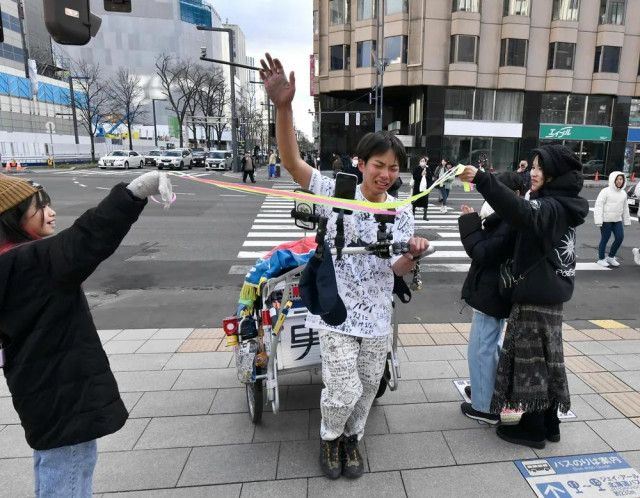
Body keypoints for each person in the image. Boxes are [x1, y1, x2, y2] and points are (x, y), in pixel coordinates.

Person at [260, 52, 429, 480]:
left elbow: (395, 269)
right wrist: (283, 107)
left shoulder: (400, 209)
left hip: (377, 316)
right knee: (342, 387)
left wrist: (413, 253)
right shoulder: (338, 191)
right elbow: (294, 164)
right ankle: (329, 437)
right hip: (337, 312)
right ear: (361, 164)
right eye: (379, 165)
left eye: (393, 168)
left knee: (370, 386)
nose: (386, 175)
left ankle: (353, 439)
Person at [0, 171, 173, 496]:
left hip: (37, 392)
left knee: (51, 464)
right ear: (12, 217)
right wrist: (135, 192)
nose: (50, 212)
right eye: (39, 207)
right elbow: (89, 236)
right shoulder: (32, 261)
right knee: (68, 473)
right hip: (64, 392)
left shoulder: (8, 262)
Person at [459, 144, 589, 449]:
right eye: (532, 166)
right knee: (544, 362)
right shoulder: (559, 203)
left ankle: (532, 430)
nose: (533, 172)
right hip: (547, 297)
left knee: (531, 365)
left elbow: (520, 213)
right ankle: (549, 425)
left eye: (540, 168)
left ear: (555, 173)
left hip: (536, 299)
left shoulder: (552, 206)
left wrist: (483, 179)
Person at [458, 172, 525, 425]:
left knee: (481, 348)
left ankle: (485, 406)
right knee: (489, 345)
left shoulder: (511, 221)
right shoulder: (507, 216)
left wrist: (468, 223)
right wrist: (476, 219)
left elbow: (482, 252)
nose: (491, 197)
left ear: (515, 195)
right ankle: (486, 390)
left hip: (492, 293)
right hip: (492, 291)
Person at [594, 171, 630, 267]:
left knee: (619, 238)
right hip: (606, 220)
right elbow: (598, 206)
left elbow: (625, 208)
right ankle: (601, 259)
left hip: (617, 220)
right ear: (613, 180)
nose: (619, 181)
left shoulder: (623, 193)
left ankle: (611, 257)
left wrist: (627, 220)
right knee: (605, 239)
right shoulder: (605, 191)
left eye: (621, 179)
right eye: (617, 179)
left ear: (624, 181)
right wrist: (598, 220)